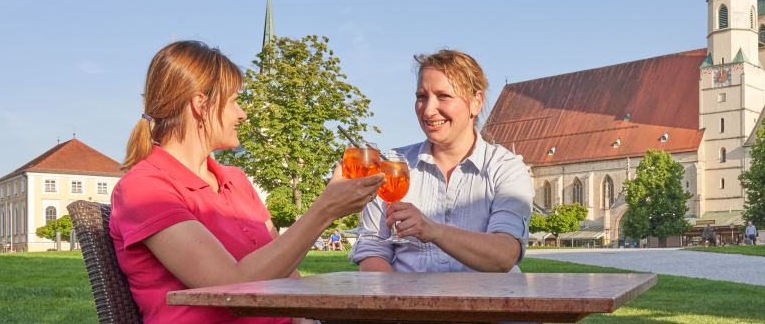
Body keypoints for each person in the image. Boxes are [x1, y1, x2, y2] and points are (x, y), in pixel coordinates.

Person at [109, 41, 384, 324]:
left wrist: (306, 319)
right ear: (200, 105)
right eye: (234, 101)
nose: (243, 114)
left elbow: (285, 269)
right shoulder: (145, 188)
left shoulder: (236, 180)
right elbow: (231, 288)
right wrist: (325, 210)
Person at [351, 49, 534, 273]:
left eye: (443, 96)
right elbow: (372, 252)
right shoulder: (391, 166)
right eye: (421, 97)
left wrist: (433, 231)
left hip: (487, 305)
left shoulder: (505, 167)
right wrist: (401, 304)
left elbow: (505, 255)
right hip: (408, 305)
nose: (428, 110)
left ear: (476, 102)